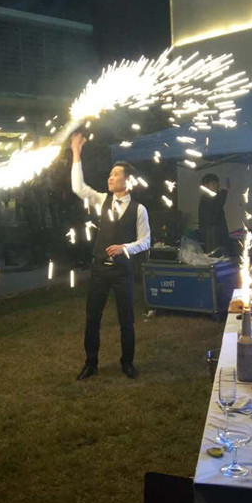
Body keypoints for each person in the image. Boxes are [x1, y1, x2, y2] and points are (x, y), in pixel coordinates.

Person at [71, 132, 151, 380]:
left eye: (116, 174)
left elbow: (146, 241)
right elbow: (78, 188)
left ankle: (127, 363)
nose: (110, 177)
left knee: (126, 320)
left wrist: (125, 248)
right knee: (92, 318)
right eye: (110, 174)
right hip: (99, 270)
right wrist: (76, 154)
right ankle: (91, 362)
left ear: (128, 181)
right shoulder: (102, 200)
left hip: (122, 271)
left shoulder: (139, 209)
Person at [198, 173, 230, 252]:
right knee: (215, 256)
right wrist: (225, 191)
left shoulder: (210, 198)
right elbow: (217, 206)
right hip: (212, 238)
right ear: (206, 186)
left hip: (217, 236)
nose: (217, 186)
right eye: (213, 184)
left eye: (217, 184)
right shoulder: (206, 199)